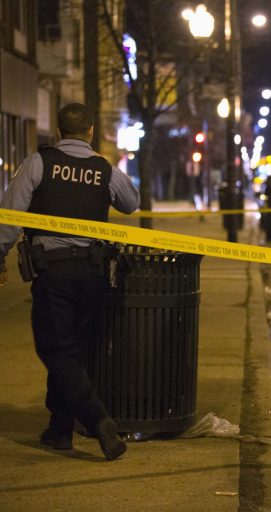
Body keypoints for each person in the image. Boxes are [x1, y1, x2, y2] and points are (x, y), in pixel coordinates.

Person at [0, 103, 139, 460]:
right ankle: (59, 429)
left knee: (56, 350)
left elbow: (9, 217)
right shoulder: (103, 168)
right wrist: (104, 169)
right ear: (90, 131)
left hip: (54, 273)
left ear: (59, 131)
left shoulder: (38, 163)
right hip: (93, 274)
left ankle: (98, 420)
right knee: (71, 350)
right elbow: (131, 203)